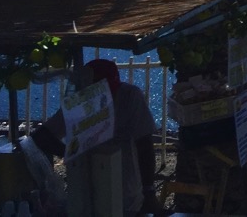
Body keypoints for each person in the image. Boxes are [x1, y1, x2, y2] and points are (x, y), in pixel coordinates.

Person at [30, 58, 162, 216]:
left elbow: (144, 145)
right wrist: (73, 154)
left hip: (125, 189)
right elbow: (41, 136)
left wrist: (148, 191)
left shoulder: (129, 95)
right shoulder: (80, 102)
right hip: (85, 189)